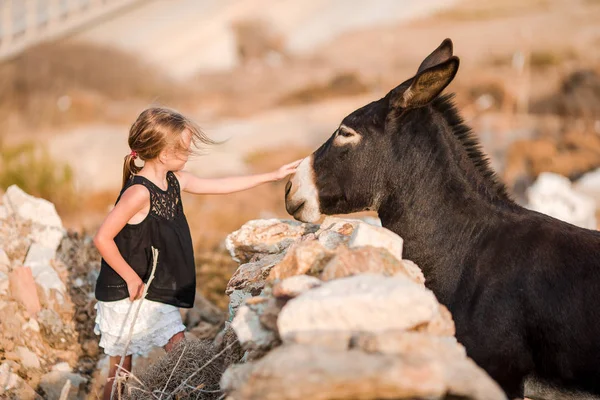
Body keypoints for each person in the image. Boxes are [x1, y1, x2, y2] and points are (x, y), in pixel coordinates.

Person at [93, 107, 301, 399]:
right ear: (164, 154)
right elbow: (102, 238)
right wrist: (129, 278)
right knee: (123, 369)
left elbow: (222, 185)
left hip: (154, 289)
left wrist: (272, 175)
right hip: (125, 293)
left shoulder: (176, 181)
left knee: (177, 348)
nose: (189, 152)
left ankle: (192, 392)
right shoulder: (138, 193)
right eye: (185, 148)